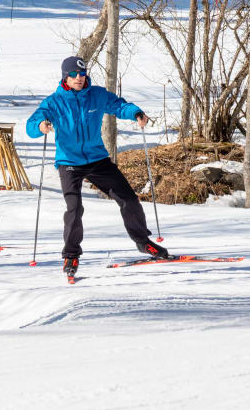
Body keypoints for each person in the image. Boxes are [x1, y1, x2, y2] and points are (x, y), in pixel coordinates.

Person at [26, 56, 168, 278]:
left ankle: (143, 242)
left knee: (129, 199)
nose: (79, 78)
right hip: (69, 162)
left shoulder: (97, 95)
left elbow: (119, 105)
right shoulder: (54, 102)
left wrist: (136, 113)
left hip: (96, 159)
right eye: (74, 74)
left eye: (82, 74)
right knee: (74, 208)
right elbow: (32, 124)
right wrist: (41, 126)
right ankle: (71, 254)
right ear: (65, 76)